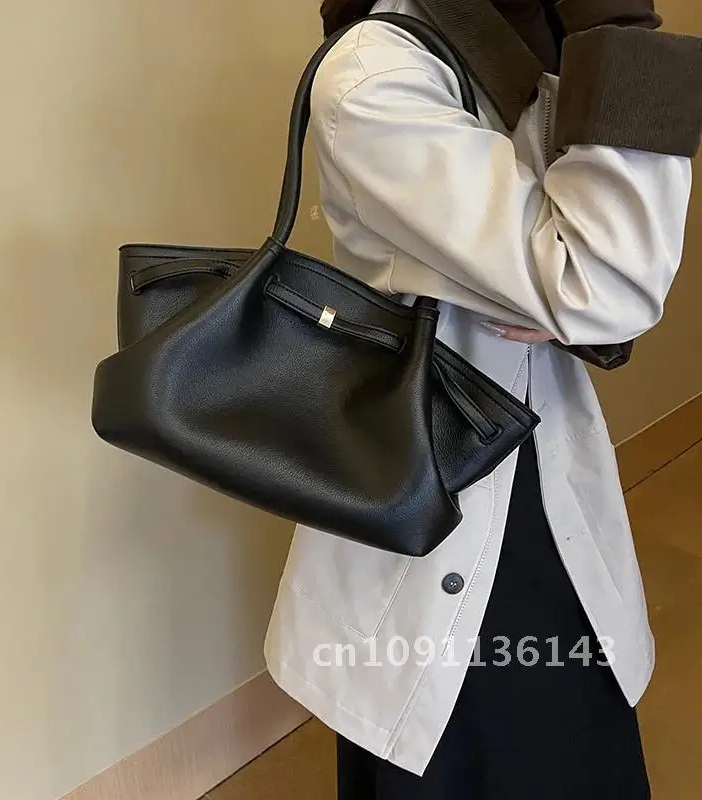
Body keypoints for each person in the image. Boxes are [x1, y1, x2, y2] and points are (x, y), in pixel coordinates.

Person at [264, 0, 702, 797]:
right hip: (443, 500)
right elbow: (607, 281)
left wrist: (575, 295)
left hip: (525, 466)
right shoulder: (376, 74)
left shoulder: (499, 45)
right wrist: (615, 30)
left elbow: (594, 284)